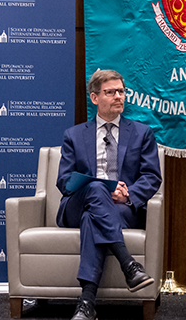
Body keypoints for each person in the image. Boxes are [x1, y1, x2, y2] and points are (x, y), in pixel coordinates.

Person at [57, 69, 163, 320]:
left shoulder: (141, 133)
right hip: (76, 204)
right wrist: (103, 187)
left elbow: (151, 177)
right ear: (94, 98)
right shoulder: (73, 135)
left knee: (91, 219)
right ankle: (129, 264)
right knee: (95, 188)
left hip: (121, 207)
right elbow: (63, 181)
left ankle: (87, 302)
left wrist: (127, 196)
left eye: (121, 91)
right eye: (110, 92)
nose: (118, 96)